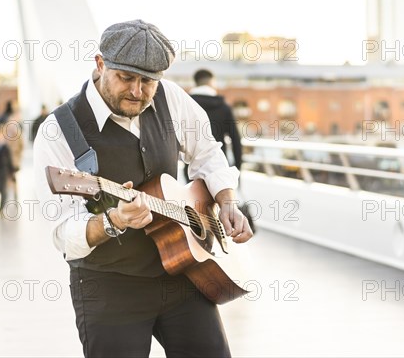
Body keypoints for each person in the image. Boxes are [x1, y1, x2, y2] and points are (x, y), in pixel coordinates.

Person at [33, 19, 253, 358]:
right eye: (126, 78)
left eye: (148, 82)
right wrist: (113, 221)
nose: (137, 91)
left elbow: (207, 150)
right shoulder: (60, 130)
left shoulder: (170, 98)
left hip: (183, 275)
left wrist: (225, 201)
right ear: (100, 64)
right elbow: (63, 232)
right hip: (109, 287)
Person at [184, 69, 242, 181]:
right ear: (212, 83)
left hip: (191, 169)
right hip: (218, 167)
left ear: (196, 83)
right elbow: (236, 140)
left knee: (193, 198)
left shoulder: (186, 105)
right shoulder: (224, 108)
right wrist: (237, 170)